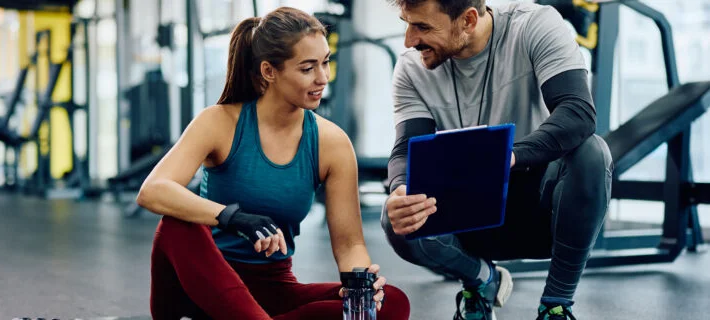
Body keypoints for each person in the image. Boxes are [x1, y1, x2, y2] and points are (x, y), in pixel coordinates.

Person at [136, 7, 411, 320]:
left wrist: (361, 289)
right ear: (269, 71)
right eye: (308, 68)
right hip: (202, 284)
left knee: (390, 302)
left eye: (325, 62)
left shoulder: (331, 142)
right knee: (177, 224)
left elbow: (349, 245)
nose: (323, 78)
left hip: (271, 289)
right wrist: (231, 217)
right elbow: (153, 191)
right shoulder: (220, 122)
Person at [382, 1, 612, 319]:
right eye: (407, 24)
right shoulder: (411, 68)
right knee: (397, 216)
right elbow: (406, 148)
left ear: (468, 20)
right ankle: (480, 280)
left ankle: (556, 305)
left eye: (422, 27)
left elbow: (577, 113)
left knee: (592, 152)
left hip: (541, 210)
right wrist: (399, 188)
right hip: (467, 218)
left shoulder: (535, 25)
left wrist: (507, 157)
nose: (409, 40)